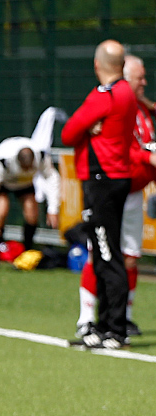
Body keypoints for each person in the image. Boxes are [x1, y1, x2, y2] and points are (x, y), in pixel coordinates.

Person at [64, 40, 139, 349]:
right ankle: (105, 326)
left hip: (101, 180)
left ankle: (114, 329)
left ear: (97, 65)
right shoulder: (127, 94)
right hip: (116, 178)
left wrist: (88, 128)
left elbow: (68, 133)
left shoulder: (104, 96)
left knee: (107, 254)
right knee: (105, 251)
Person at [74, 54, 151, 341]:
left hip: (132, 192)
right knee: (103, 255)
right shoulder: (112, 104)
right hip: (111, 188)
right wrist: (147, 157)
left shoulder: (141, 109)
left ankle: (122, 320)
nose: (144, 83)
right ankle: (89, 320)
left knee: (128, 258)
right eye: (139, 78)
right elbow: (120, 149)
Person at [0, 135, 61, 269]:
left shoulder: (41, 155)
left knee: (32, 214)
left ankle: (26, 252)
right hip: (4, 183)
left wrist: (53, 209)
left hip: (25, 184)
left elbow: (51, 178)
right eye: (25, 168)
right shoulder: (0, 162)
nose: (28, 170)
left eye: (30, 168)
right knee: (1, 211)